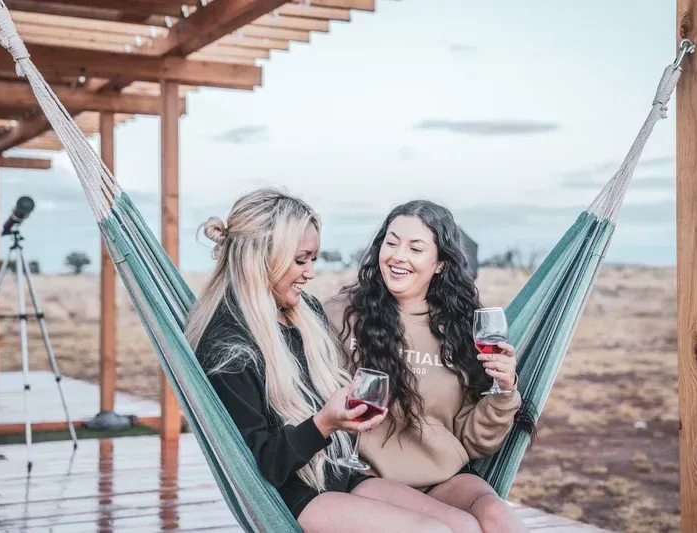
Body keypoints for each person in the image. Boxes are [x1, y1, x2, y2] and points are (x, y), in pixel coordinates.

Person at [186, 188, 490, 533]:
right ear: (262, 258)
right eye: (301, 260)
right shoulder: (229, 349)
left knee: (465, 527)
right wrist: (325, 423)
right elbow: (261, 464)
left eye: (313, 259)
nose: (310, 273)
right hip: (294, 495)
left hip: (342, 475)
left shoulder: (305, 313)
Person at [324, 200, 535, 533]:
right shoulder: (341, 316)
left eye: (416, 248)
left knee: (499, 516)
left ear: (440, 264)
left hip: (444, 478)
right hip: (369, 478)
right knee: (462, 528)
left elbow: (474, 441)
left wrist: (504, 391)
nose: (398, 256)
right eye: (391, 243)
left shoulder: (461, 328)